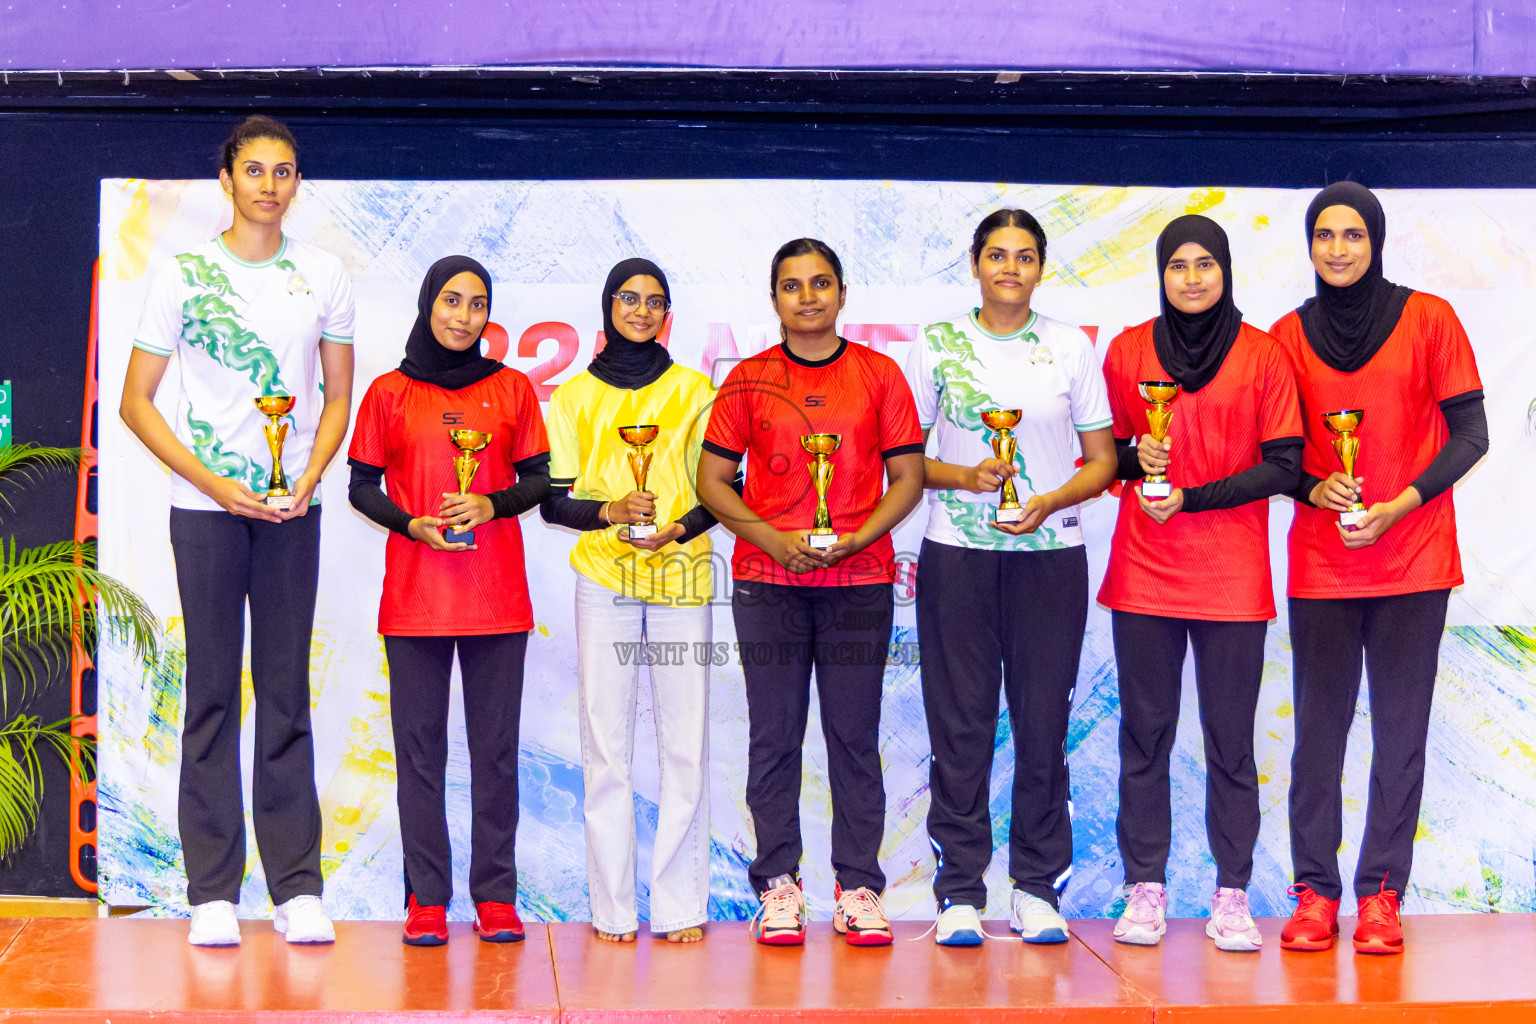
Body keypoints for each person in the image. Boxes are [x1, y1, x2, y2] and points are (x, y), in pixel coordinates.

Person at [119, 115, 354, 946]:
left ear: (296, 183)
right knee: (212, 693)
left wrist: (307, 479)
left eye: (283, 171)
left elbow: (335, 397)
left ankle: (296, 889)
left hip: (293, 512)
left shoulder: (325, 273)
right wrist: (217, 484)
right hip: (205, 511)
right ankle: (212, 889)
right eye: (253, 169)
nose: (269, 184)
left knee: (286, 693)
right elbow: (135, 402)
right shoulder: (182, 274)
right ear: (226, 180)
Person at [1272, 182, 1488, 955]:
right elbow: (1276, 456)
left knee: (1401, 735)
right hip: (1323, 565)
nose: (1338, 249)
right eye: (1325, 235)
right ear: (1310, 245)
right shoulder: (1285, 337)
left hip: (1415, 558)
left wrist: (1400, 503)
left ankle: (1382, 896)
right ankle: (1314, 894)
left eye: (1353, 235)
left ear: (1377, 240)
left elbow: (1472, 435)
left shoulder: (1430, 318)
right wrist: (1311, 485)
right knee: (1317, 739)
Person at [697, 238, 924, 948]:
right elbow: (711, 481)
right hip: (769, 583)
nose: (807, 297)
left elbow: (909, 478)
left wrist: (857, 539)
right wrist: (771, 541)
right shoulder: (748, 381)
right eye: (792, 286)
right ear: (775, 300)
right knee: (774, 737)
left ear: (842, 292)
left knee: (853, 737)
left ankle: (858, 886)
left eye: (820, 283)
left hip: (857, 581)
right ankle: (779, 887)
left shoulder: (879, 375)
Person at [902, 210, 1116, 947]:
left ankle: (1035, 888)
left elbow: (1104, 461)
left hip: (1051, 556)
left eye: (1025, 257)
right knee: (959, 729)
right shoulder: (935, 344)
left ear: (1041, 267)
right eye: (998, 255)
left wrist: (1049, 499)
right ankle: (959, 893)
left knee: (1042, 726)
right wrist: (965, 476)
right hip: (955, 555)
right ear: (975, 262)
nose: (1011, 269)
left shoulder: (1069, 347)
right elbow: (900, 462)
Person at [1097, 215, 1302, 952]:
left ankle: (1233, 895)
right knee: (1144, 738)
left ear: (1225, 271)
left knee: (1230, 744)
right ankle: (1144, 891)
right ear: (1161, 274)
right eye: (1178, 265)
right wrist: (1133, 455)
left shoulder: (1263, 355)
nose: (1191, 277)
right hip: (1145, 573)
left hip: (1232, 576)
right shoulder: (1125, 352)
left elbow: (1285, 466)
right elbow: (1105, 460)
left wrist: (1193, 495)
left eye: (1205, 264)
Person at [347, 256, 549, 946]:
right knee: (419, 753)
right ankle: (426, 897)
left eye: (477, 304)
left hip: (497, 599)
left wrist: (489, 503)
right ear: (429, 303)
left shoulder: (514, 389)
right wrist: (412, 524)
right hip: (414, 598)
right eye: (452, 301)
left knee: (495, 752)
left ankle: (495, 895)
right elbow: (361, 488)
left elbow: (539, 484)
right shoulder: (388, 392)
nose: (464, 316)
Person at [540, 258, 717, 944]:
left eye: (654, 301)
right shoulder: (574, 397)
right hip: (604, 581)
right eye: (629, 298)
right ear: (608, 306)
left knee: (685, 745)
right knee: (605, 746)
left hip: (680, 578)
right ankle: (610, 908)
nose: (641, 310)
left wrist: (674, 528)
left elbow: (717, 492)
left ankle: (679, 908)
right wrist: (612, 511)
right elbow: (555, 503)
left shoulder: (696, 390)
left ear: (666, 313)